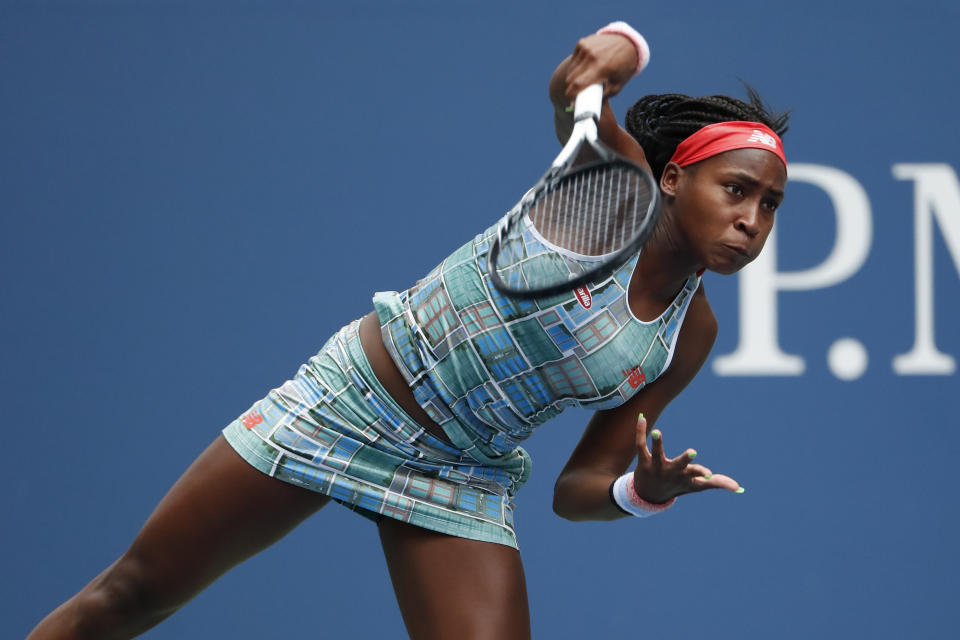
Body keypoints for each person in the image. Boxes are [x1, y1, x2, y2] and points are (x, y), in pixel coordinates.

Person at [28, 20, 789, 640]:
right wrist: (626, 43)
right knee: (131, 597)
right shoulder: (610, 191)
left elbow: (576, 488)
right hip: (350, 401)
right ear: (672, 177)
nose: (751, 221)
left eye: (770, 207)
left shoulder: (689, 334)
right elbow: (576, 90)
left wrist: (638, 490)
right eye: (737, 190)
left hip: (462, 473)